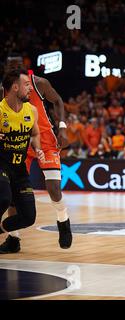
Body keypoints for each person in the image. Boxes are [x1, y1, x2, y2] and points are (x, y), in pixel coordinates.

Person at [0, 56, 72, 254]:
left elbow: (57, 100)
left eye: (18, 67)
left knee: (54, 188)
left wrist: (63, 128)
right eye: (11, 67)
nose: (14, 70)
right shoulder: (3, 90)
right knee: (13, 195)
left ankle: (63, 220)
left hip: (44, 139)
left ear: (25, 69)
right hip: (19, 142)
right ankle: (13, 239)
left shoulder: (38, 83)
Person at [0, 69, 45, 242]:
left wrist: (38, 148)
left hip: (19, 169)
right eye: (27, 85)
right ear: (15, 88)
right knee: (4, 198)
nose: (31, 88)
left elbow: (34, 133)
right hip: (2, 165)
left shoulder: (31, 110)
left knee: (28, 217)